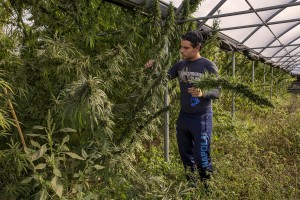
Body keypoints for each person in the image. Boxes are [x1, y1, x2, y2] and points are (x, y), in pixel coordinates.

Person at [145, 30, 220, 188]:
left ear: (197, 47)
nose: (182, 51)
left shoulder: (208, 65)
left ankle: (208, 188)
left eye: (186, 48)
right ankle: (191, 186)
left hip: (202, 118)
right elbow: (162, 79)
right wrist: (152, 69)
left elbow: (218, 91)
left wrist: (203, 93)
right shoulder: (180, 65)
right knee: (185, 154)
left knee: (201, 157)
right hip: (184, 117)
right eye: (181, 47)